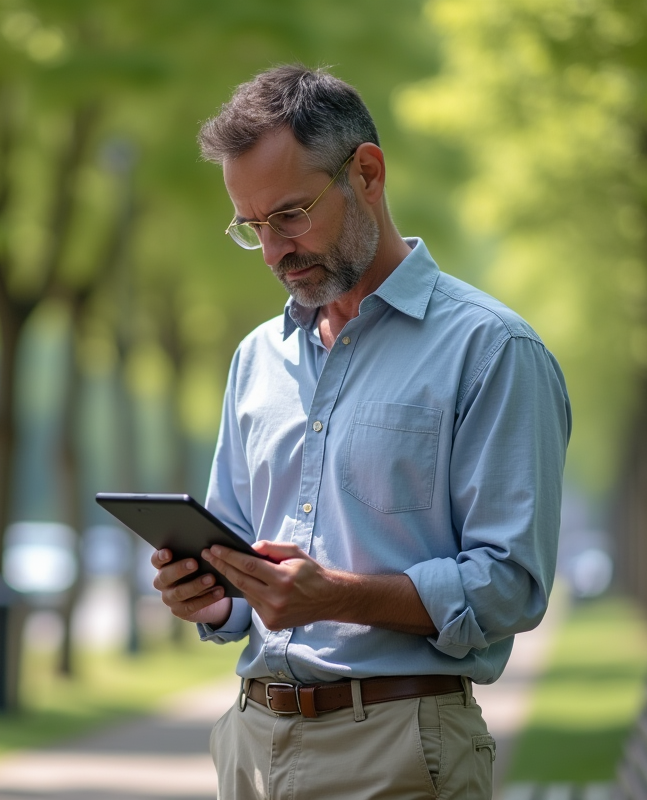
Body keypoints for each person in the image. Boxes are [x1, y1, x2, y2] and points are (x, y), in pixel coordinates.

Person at [152, 65, 572, 800]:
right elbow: (242, 549)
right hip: (249, 744)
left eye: (289, 215)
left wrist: (334, 596)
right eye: (252, 228)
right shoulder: (257, 358)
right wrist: (214, 595)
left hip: (397, 753)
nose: (276, 251)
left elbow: (512, 585)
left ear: (368, 174)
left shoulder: (493, 350)